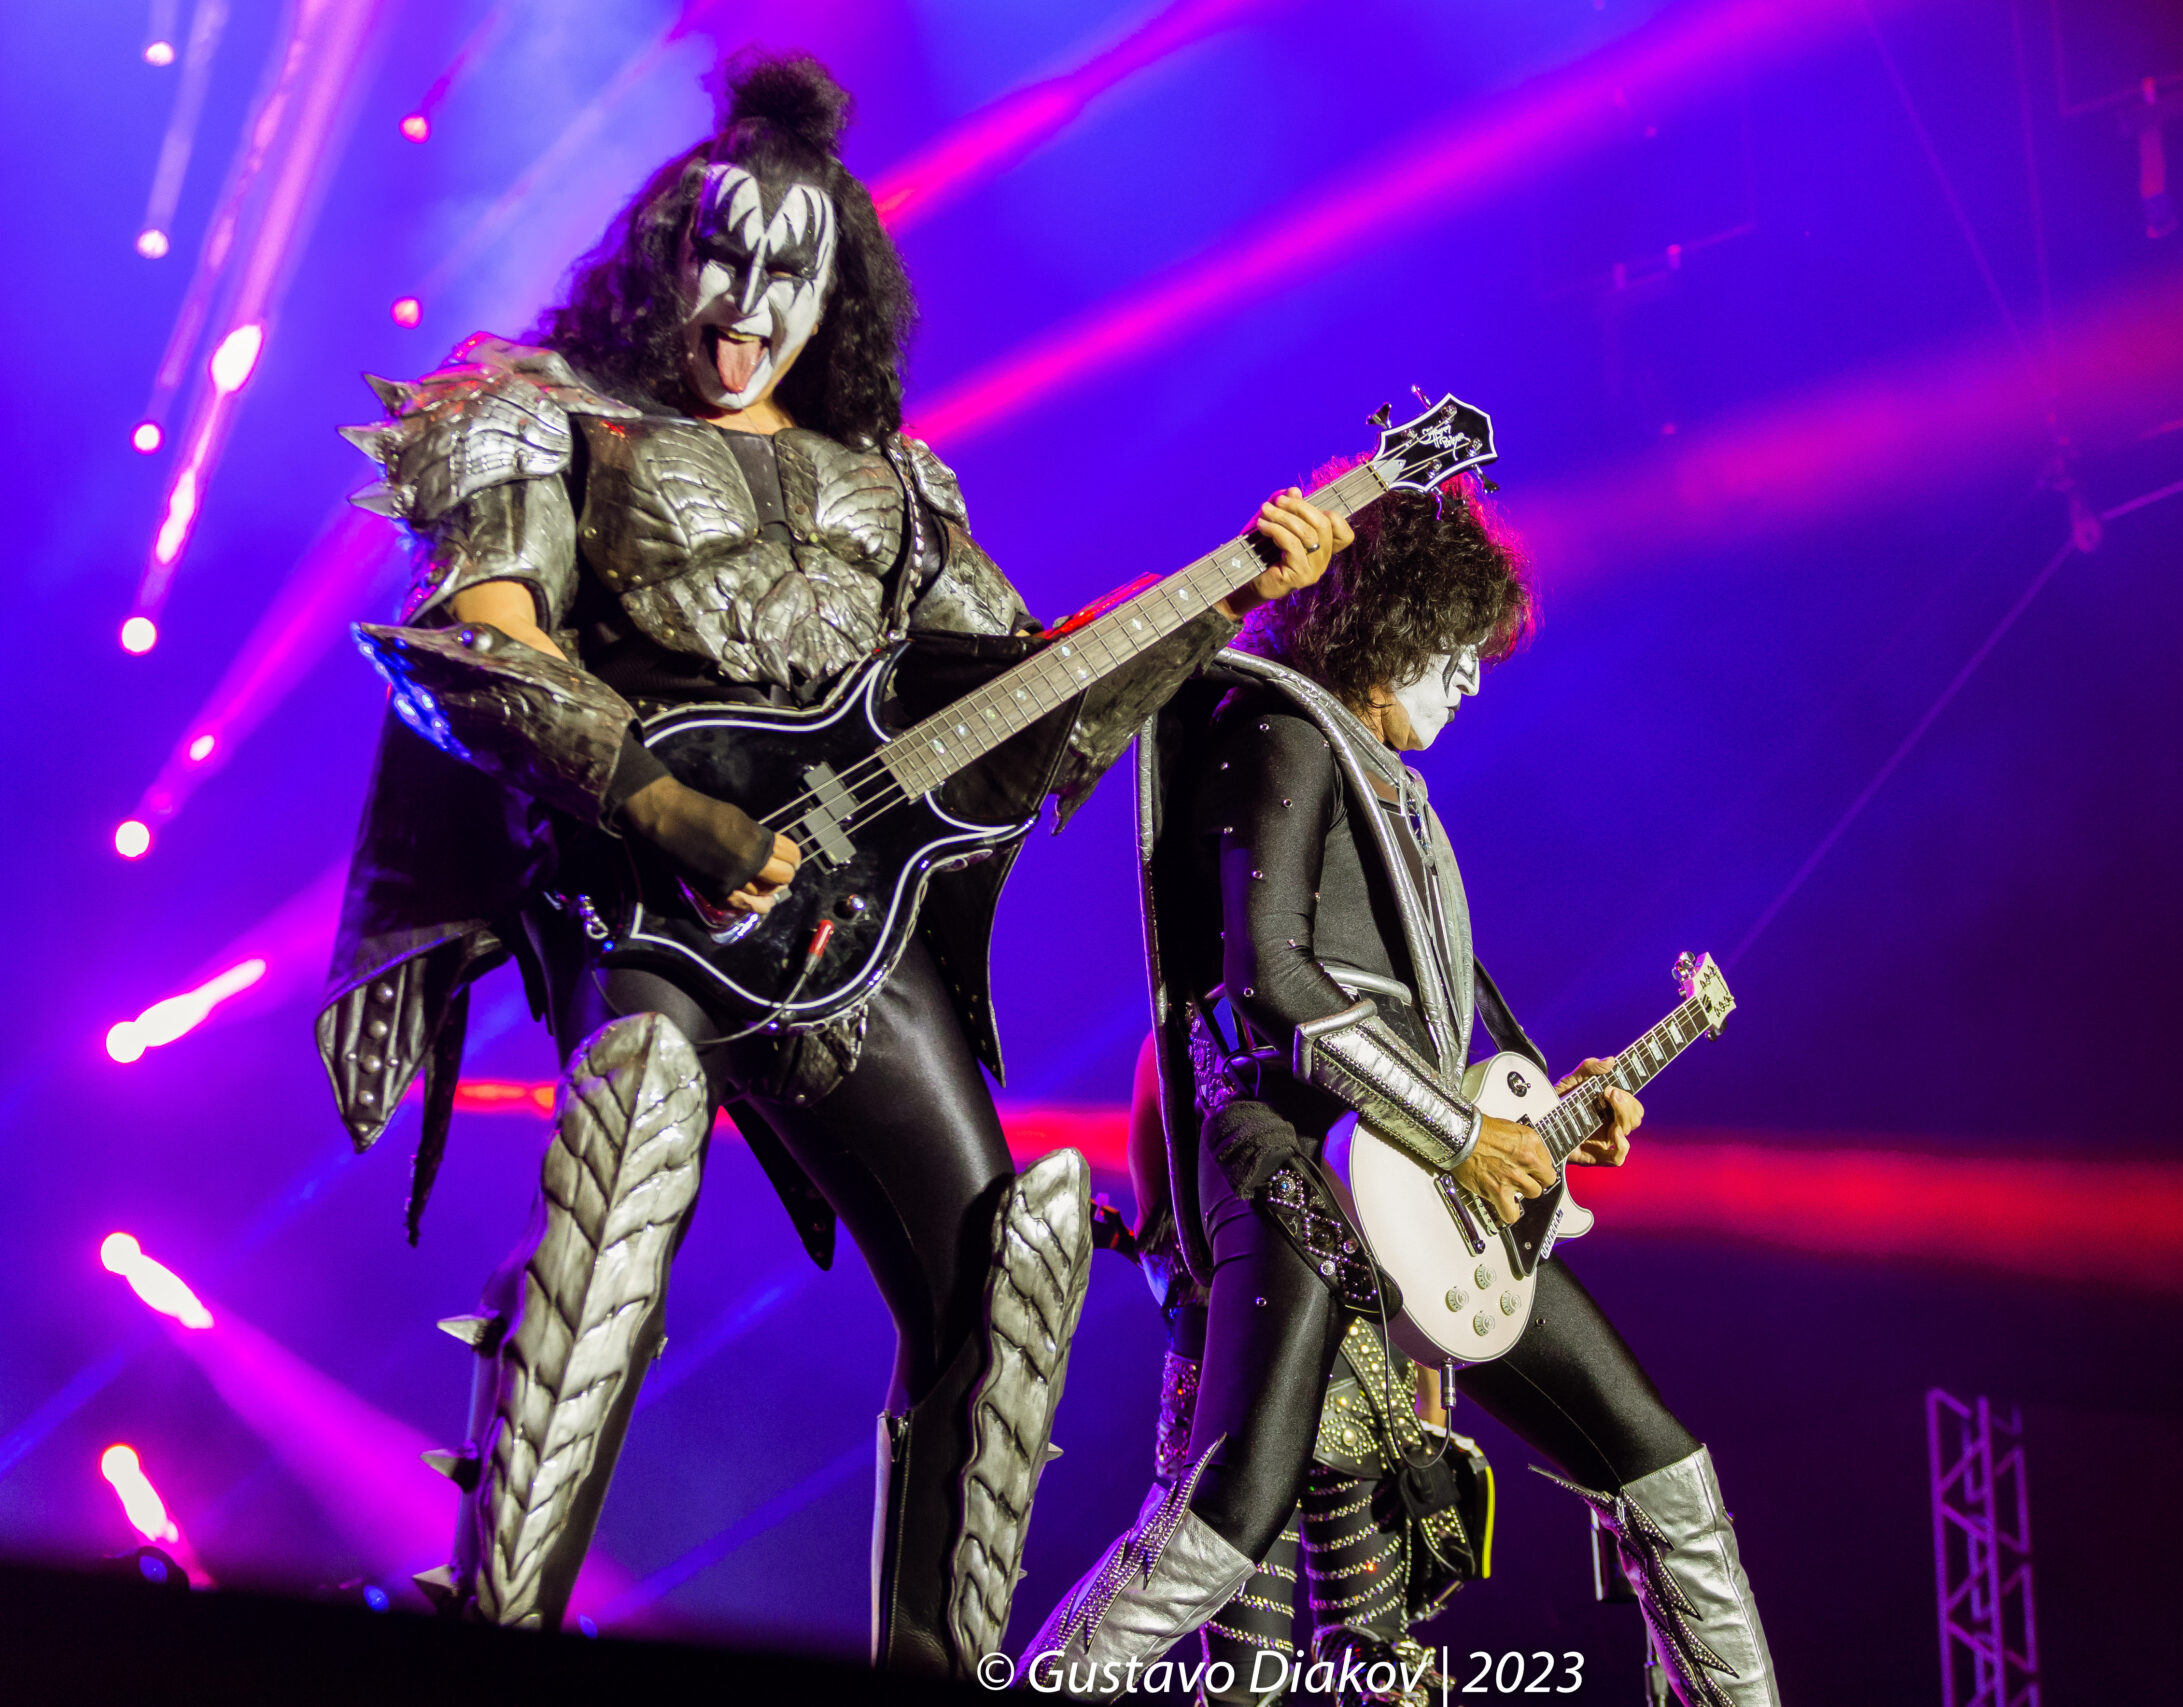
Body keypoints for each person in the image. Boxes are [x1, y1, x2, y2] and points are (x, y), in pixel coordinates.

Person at [308, 52, 1347, 1676]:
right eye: (722, 254)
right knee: (634, 1132)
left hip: (846, 939)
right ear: (664, 250)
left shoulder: (899, 490)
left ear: (836, 288)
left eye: (791, 269)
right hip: (648, 895)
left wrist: (1224, 591)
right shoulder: (539, 413)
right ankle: (494, 1623)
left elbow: (1022, 715)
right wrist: (676, 812)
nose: (749, 297)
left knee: (1014, 1256)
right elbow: (473, 641)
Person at [1025, 472, 1780, 1706]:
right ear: (1383, 617)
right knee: (1232, 1508)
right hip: (1289, 1166)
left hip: (1410, 1192)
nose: (1473, 673)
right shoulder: (1278, 723)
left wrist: (1541, 1113)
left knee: (1663, 1469)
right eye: (1452, 640)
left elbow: (1400, 1018)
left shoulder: (1394, 787)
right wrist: (1459, 1132)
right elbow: (1266, 977)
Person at [1110, 1035, 1482, 1707]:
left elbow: (1163, 1243)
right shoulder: (1367, 1029)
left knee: (1254, 1683)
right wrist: (1427, 1414)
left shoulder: (1169, 1042)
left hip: (1237, 1397)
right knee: (1373, 1668)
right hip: (1349, 1383)